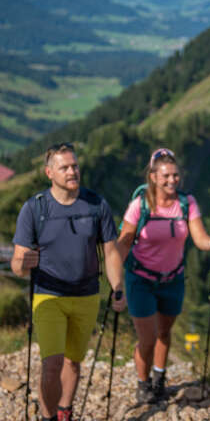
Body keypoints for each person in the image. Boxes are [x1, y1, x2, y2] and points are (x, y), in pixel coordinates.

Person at [11, 142, 126, 421]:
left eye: (75, 165)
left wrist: (118, 288)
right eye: (65, 167)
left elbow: (110, 252)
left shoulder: (97, 205)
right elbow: (17, 263)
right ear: (49, 172)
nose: (72, 171)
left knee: (73, 363)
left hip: (87, 295)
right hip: (48, 295)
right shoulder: (34, 209)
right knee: (52, 363)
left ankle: (65, 412)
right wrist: (23, 265)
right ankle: (47, 417)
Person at [118, 147, 210, 403]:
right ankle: (142, 384)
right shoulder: (140, 205)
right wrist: (113, 275)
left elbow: (199, 238)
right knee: (147, 338)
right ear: (153, 177)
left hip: (173, 279)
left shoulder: (187, 203)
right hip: (141, 280)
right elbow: (124, 242)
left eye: (175, 175)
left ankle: (159, 379)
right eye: (166, 175)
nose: (172, 180)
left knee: (164, 333)